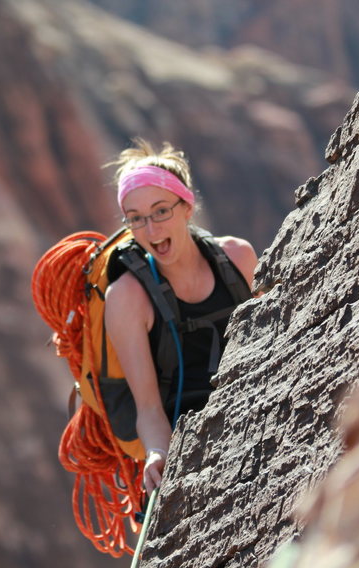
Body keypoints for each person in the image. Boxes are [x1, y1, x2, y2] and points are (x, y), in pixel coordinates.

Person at [104, 139, 258, 494]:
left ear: (187, 206)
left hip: (254, 407)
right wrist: (158, 453)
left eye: (161, 211)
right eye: (137, 219)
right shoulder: (127, 298)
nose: (152, 230)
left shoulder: (238, 257)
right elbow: (148, 408)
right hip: (188, 441)